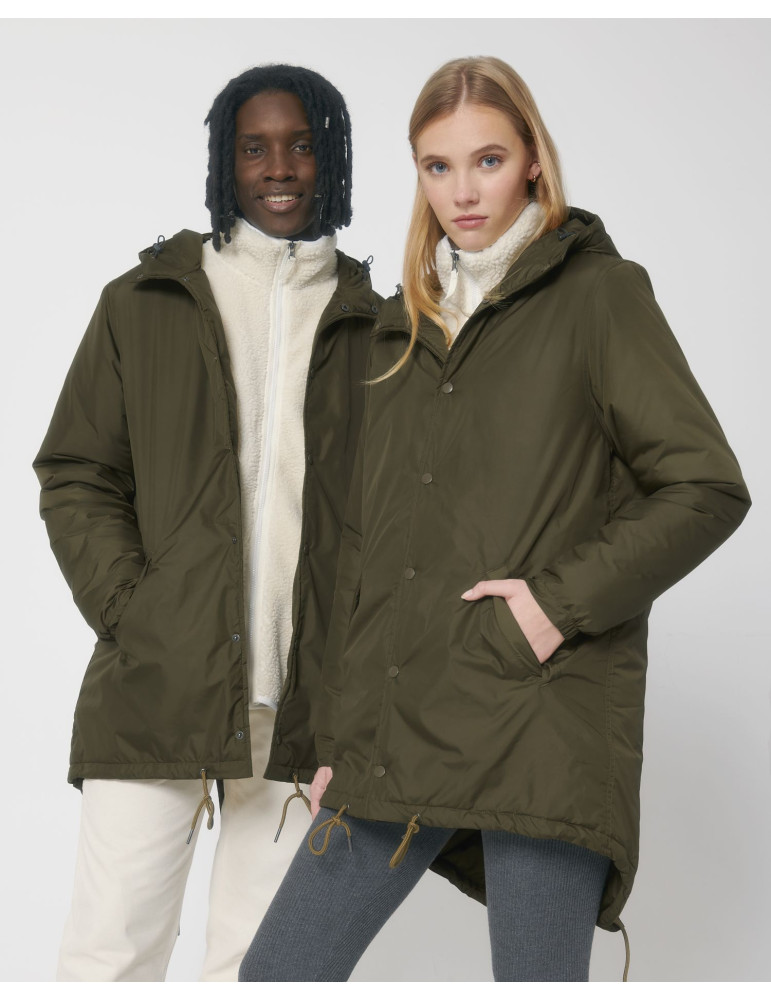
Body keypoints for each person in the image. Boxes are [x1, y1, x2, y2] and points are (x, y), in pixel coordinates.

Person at [238, 56, 751, 983]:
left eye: (487, 160)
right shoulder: (399, 327)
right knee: (278, 973)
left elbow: (705, 487)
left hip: (537, 719)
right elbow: (358, 548)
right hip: (398, 720)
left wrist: (551, 606)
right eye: (437, 166)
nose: (463, 192)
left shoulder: (598, 296)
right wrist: (331, 737)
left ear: (532, 163)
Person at [33, 64, 380, 982]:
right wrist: (135, 614)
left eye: (301, 145)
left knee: (260, 971)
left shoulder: (379, 328)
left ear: (333, 159)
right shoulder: (143, 302)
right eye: (254, 147)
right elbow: (77, 471)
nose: (279, 168)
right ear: (225, 162)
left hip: (306, 708)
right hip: (158, 684)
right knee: (109, 957)